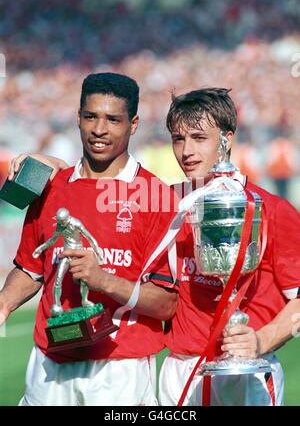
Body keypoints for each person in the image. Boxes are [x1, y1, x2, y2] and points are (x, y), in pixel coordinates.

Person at [0, 72, 179, 406]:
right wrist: (5, 303)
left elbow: (167, 304)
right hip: (48, 365)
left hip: (120, 370)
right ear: (77, 118)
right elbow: (30, 269)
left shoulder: (157, 198)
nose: (99, 129)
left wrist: (103, 280)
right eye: (91, 117)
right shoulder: (50, 186)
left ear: (134, 124)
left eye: (113, 119)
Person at [159, 88, 300, 406]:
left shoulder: (272, 209)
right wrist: (56, 167)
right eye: (178, 139)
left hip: (245, 371)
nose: (186, 151)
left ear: (228, 138)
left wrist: (259, 340)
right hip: (179, 371)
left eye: (199, 137)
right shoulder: (167, 205)